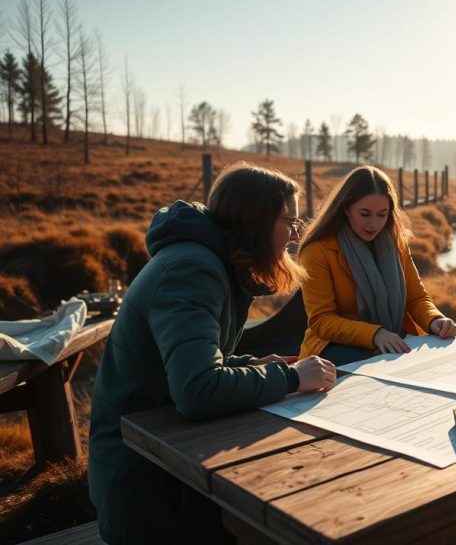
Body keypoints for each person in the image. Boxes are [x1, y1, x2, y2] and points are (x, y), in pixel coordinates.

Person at [88, 162, 337, 545]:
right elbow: (197, 389)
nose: (293, 236)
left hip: (168, 463)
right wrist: (291, 378)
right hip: (144, 488)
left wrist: (249, 365)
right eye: (289, 221)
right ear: (258, 221)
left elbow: (190, 362)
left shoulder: (209, 261)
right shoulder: (192, 270)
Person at [297, 165, 456, 366]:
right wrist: (375, 334)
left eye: (382, 214)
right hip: (332, 349)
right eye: (365, 214)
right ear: (346, 208)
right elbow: (321, 320)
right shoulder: (318, 251)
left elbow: (416, 298)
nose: (373, 224)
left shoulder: (396, 244)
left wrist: (435, 320)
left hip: (391, 341)